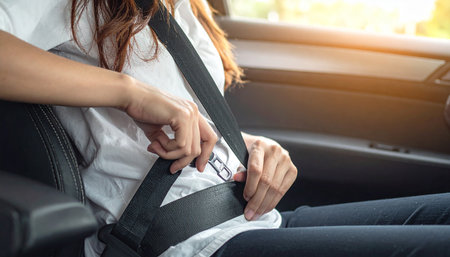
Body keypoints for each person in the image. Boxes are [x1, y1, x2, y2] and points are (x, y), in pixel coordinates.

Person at [0, 1, 449, 257]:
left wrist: (247, 145)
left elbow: (182, 117)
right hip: (186, 243)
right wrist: (127, 91)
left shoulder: (185, 7)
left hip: (251, 220)